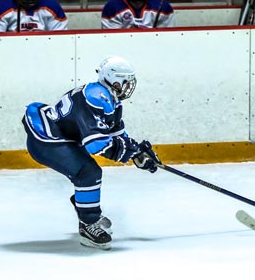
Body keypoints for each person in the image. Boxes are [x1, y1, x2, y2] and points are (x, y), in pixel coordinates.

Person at [22, 56, 161, 250]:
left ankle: (85, 206)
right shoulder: (95, 97)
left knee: (87, 173)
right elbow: (97, 144)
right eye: (126, 80)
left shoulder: (108, 96)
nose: (130, 85)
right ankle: (88, 224)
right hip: (47, 142)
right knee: (88, 173)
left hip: (61, 137)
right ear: (114, 80)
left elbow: (115, 133)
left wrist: (137, 152)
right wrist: (129, 154)